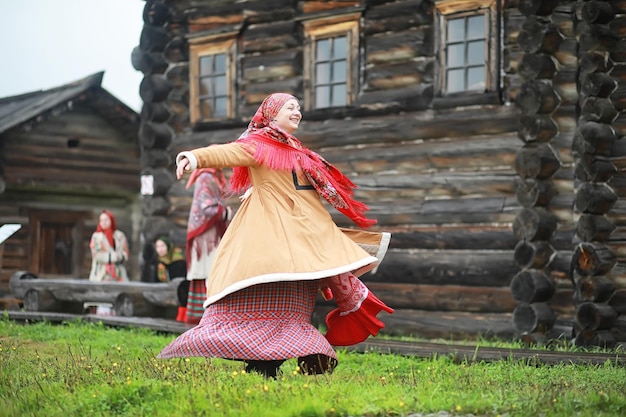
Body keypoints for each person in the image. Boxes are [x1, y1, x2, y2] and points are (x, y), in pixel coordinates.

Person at [158, 92, 393, 378]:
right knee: (268, 291)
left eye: (299, 107)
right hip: (270, 236)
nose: (297, 112)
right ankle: (267, 361)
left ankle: (300, 352)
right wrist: (194, 157)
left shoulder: (299, 151)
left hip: (303, 237)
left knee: (295, 301)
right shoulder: (258, 145)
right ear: (271, 113)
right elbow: (228, 152)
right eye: (289, 107)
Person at [184, 168, 231, 325]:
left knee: (210, 271)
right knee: (209, 270)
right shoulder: (205, 177)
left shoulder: (211, 177)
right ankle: (206, 315)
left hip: (208, 232)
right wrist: (225, 213)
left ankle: (206, 314)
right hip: (206, 235)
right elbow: (206, 206)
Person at [88, 209, 130, 315]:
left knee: (119, 295)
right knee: (102, 296)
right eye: (101, 220)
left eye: (106, 219)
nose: (104, 222)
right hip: (102, 273)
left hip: (117, 274)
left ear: (111, 220)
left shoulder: (120, 236)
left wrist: (120, 257)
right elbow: (96, 254)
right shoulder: (96, 237)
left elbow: (125, 253)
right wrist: (111, 257)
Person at [154, 236, 188, 321]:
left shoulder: (179, 262)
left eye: (162, 246)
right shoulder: (158, 263)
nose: (160, 249)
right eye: (157, 247)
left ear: (168, 247)